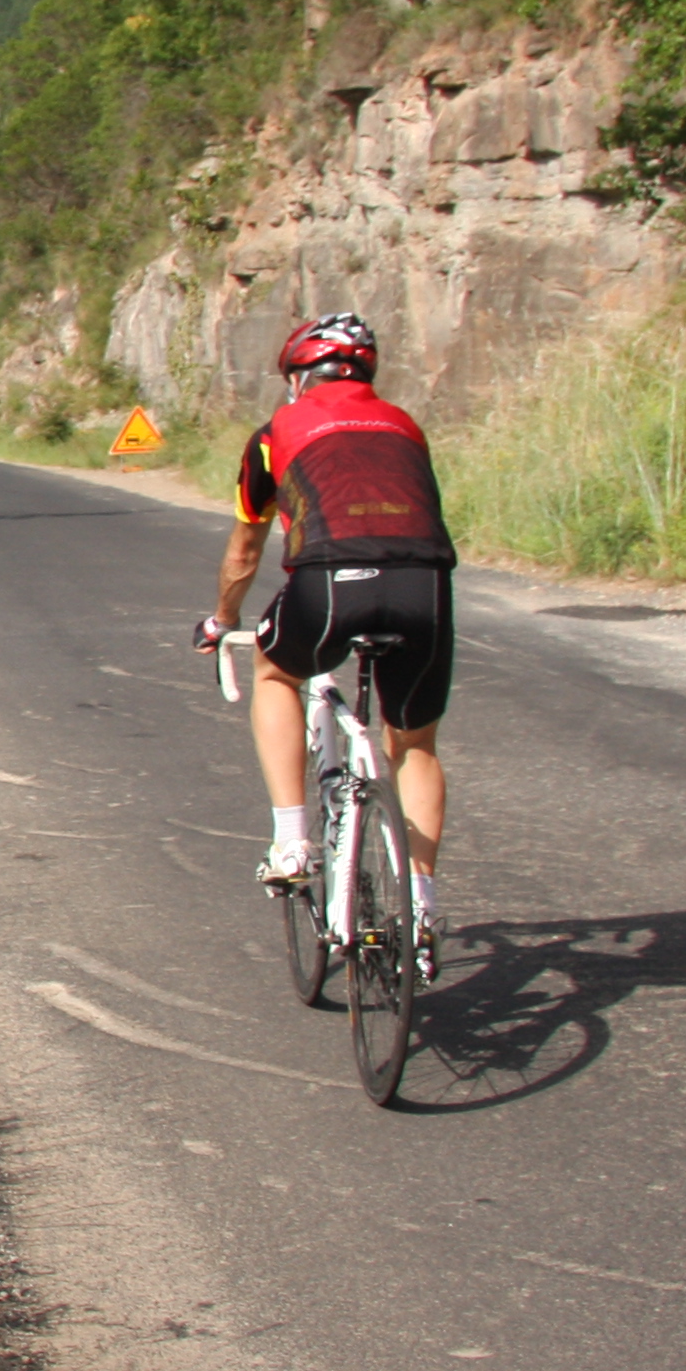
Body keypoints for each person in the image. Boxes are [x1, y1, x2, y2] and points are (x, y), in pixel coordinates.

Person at [192, 312, 456, 970]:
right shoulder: (405, 427)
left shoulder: (273, 434)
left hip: (332, 580)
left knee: (276, 671)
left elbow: (245, 551)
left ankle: (292, 843)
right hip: (426, 582)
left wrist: (222, 620)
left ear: (299, 377)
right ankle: (421, 907)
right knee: (413, 744)